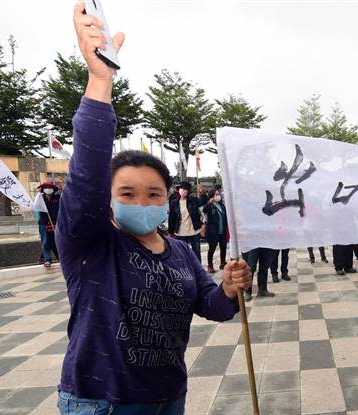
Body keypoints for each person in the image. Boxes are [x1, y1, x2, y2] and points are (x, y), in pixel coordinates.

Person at [55, 8, 251, 412]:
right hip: (102, 401)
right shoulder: (90, 244)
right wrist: (99, 81)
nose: (142, 203)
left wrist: (229, 289)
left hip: (168, 397)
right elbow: (86, 177)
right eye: (127, 194)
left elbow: (211, 305)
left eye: (154, 194)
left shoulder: (178, 250)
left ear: (168, 198)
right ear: (106, 199)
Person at [168, 181, 204, 262]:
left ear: (188, 191)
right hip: (180, 233)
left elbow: (201, 212)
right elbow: (171, 218)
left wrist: (202, 225)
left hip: (194, 231)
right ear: (178, 190)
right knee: (182, 254)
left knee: (196, 253)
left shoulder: (194, 200)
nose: (183, 191)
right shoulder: (174, 203)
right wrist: (171, 232)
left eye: (185, 189)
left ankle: (198, 271)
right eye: (181, 188)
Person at [202, 188, 228, 273]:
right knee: (212, 249)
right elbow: (204, 210)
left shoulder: (222, 205)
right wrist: (209, 202)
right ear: (212, 196)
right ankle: (210, 265)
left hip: (222, 231)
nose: (218, 196)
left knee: (223, 247)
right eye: (216, 194)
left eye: (218, 194)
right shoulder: (210, 205)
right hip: (213, 231)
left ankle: (223, 263)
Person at [36, 181, 60, 267]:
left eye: (50, 188)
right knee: (45, 241)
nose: (48, 189)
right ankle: (47, 259)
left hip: (55, 223)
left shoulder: (58, 198)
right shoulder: (40, 198)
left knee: (56, 241)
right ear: (43, 189)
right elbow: (36, 206)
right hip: (43, 222)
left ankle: (60, 257)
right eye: (46, 188)